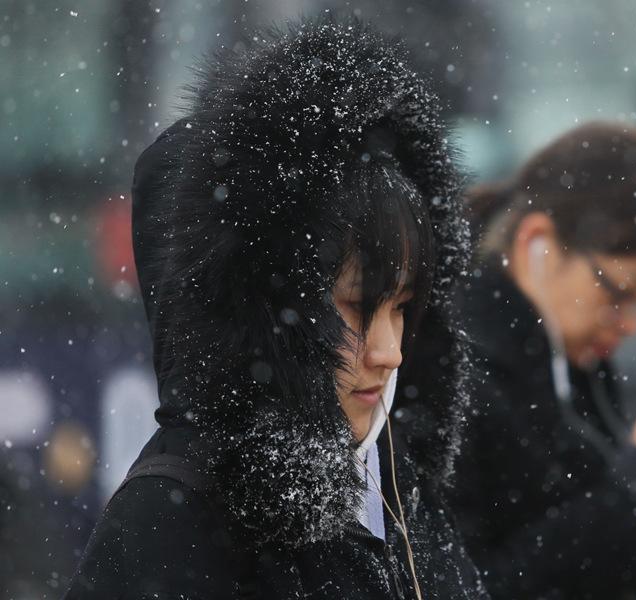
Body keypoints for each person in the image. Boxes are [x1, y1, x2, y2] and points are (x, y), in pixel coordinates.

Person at [64, 16, 488, 599]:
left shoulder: (386, 476)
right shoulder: (171, 523)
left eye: (403, 309)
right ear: (259, 314)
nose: (390, 352)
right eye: (355, 308)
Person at [450, 122, 636, 599]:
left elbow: (635, 580)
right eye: (620, 293)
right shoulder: (448, 367)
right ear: (537, 243)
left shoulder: (574, 364)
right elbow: (473, 585)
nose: (631, 323)